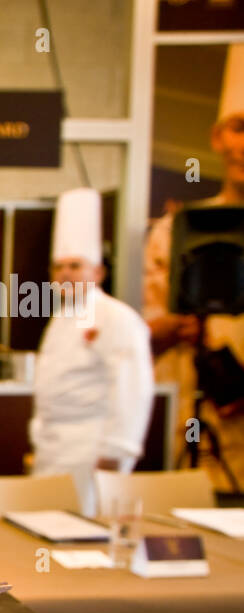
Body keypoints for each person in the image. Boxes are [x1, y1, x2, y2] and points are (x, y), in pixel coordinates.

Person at [143, 43, 244, 491]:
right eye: (240, 129)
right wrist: (177, 326)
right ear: (217, 138)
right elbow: (148, 336)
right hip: (192, 448)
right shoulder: (176, 230)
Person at [31, 187, 154, 516]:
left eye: (75, 265)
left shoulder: (117, 317)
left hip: (93, 448)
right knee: (45, 530)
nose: (66, 273)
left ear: (98, 273)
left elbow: (132, 387)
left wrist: (116, 451)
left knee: (85, 536)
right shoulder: (60, 318)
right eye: (59, 267)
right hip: (54, 448)